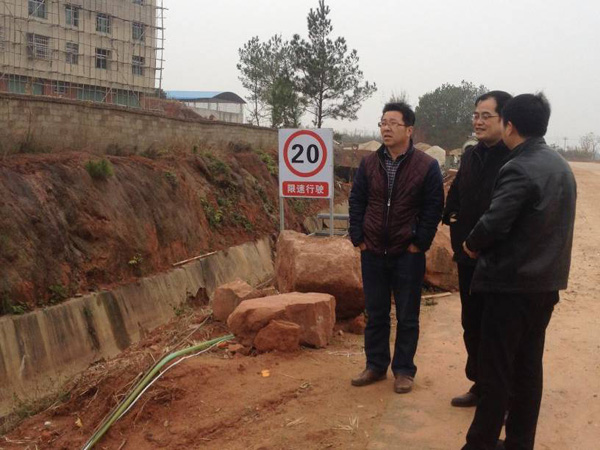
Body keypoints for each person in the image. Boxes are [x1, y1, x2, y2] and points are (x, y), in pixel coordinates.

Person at [461, 93, 577, 450]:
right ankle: (519, 442)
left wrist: (471, 244)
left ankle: (479, 443)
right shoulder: (560, 166)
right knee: (528, 368)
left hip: (509, 286)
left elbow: (494, 222)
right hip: (544, 285)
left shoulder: (519, 167)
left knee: (495, 371)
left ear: (509, 125)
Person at [348, 102, 444, 394]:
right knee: (376, 313)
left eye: (393, 123)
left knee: (407, 316)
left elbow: (433, 208)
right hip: (373, 250)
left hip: (407, 253)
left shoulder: (426, 166)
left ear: (409, 130)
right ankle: (375, 365)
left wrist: (419, 242)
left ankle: (403, 370)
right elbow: (357, 200)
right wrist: (358, 237)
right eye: (383, 123)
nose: (386, 128)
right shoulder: (369, 163)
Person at [442, 91, 512, 408]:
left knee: (498, 328)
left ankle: (503, 393)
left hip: (498, 261)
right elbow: (456, 194)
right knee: (471, 324)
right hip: (467, 257)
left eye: (486, 116)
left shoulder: (514, 158)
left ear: (506, 120)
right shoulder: (471, 155)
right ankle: (480, 384)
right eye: (476, 115)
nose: (478, 122)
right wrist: (453, 218)